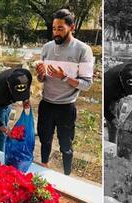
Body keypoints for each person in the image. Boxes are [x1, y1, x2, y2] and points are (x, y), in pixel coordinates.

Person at [35, 9, 93, 175]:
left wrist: (64, 77)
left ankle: (67, 175)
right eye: (54, 28)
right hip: (46, 104)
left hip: (66, 107)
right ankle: (43, 167)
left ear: (72, 27)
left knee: (66, 145)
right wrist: (40, 74)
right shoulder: (47, 48)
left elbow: (87, 84)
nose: (56, 33)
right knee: (45, 140)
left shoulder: (83, 50)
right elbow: (42, 79)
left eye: (60, 29)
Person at [0, 69, 31, 151]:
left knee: (6, 113)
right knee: (1, 134)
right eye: (17, 95)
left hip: (6, 101)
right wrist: (5, 130)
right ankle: (1, 155)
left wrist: (25, 100)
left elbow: (24, 89)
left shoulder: (26, 75)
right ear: (9, 86)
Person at [104, 63, 132, 143]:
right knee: (113, 125)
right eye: (129, 89)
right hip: (111, 96)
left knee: (123, 115)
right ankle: (112, 146)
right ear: (121, 80)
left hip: (118, 91)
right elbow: (104, 109)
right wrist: (114, 120)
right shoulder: (108, 86)